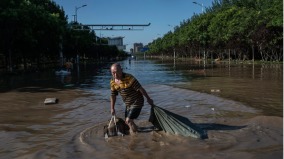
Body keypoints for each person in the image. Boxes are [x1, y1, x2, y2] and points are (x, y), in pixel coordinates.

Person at [110, 63, 154, 135]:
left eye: (117, 72)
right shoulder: (112, 82)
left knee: (128, 120)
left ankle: (135, 138)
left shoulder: (129, 78)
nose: (115, 75)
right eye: (113, 73)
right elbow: (113, 95)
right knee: (127, 122)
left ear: (121, 70)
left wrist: (148, 99)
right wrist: (112, 108)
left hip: (137, 101)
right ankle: (138, 131)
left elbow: (140, 89)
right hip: (128, 103)